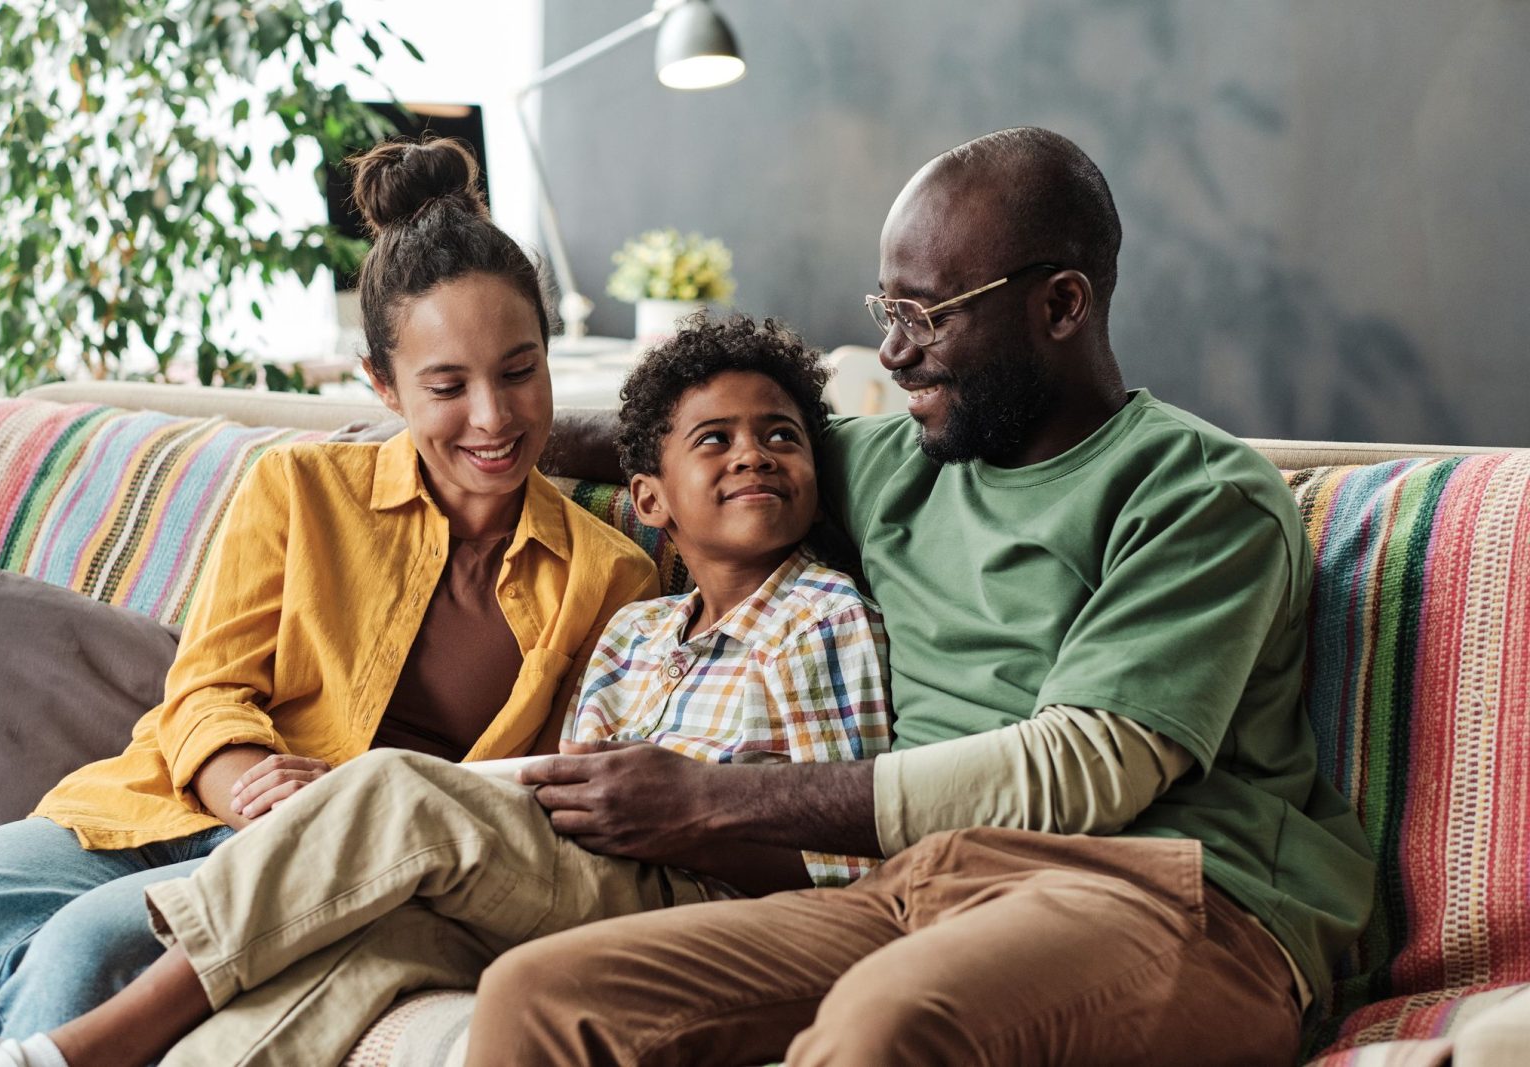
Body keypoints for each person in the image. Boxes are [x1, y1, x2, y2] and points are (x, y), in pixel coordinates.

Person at [459, 127, 1378, 1066]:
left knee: (886, 1025)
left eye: (926, 315)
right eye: (886, 307)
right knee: (543, 996)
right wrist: (456, 432)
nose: (891, 352)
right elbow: (672, 439)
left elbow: (1084, 771)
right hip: (919, 886)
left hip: (1170, 899)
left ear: (1061, 304)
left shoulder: (1196, 493)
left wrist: (716, 799)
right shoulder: (899, 461)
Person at [0, 315, 893, 1067]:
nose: (754, 454)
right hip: (257, 819)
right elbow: (566, 780)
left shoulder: (816, 614)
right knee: (354, 944)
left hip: (690, 894)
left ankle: (85, 1045)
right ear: (652, 499)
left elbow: (842, 855)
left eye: (781, 436)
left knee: (392, 786)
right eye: (717, 440)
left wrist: (689, 813)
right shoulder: (638, 629)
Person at [0, 137, 658, 1058]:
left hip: (321, 873)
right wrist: (252, 790)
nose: (494, 416)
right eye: (447, 385)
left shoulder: (606, 576)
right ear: (383, 387)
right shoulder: (300, 488)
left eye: (520, 371)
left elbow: (535, 804)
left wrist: (311, 821)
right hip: (164, 806)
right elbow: (203, 688)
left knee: (75, 960)